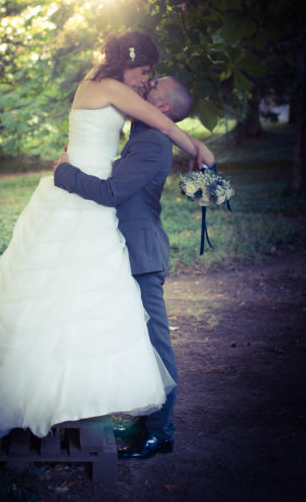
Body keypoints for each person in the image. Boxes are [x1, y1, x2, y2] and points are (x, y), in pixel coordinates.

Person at [0, 32, 213, 441]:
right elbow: (164, 125)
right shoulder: (113, 89)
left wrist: (197, 150)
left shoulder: (107, 93)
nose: (145, 80)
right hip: (87, 200)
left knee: (90, 308)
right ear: (129, 64)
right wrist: (198, 148)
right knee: (75, 306)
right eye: (145, 72)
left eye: (151, 79)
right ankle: (72, 400)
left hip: (97, 204)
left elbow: (161, 126)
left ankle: (152, 427)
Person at [53, 75, 214, 459]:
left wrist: (64, 173)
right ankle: (146, 419)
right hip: (131, 248)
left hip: (142, 254)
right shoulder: (143, 136)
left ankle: (162, 432)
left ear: (161, 108)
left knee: (157, 343)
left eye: (154, 85)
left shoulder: (153, 143)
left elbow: (111, 193)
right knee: (138, 341)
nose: (146, 85)